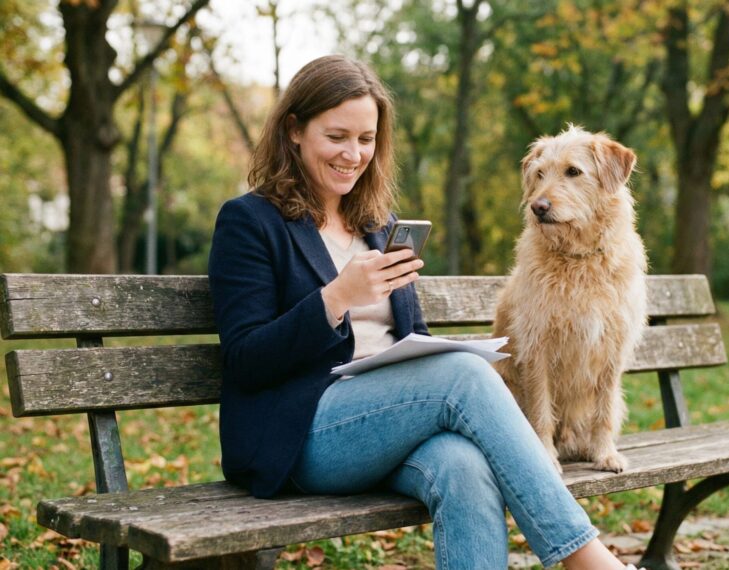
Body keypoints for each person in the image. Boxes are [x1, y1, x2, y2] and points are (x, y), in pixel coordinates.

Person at [208, 54, 639, 570]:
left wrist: (431, 350)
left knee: (465, 466)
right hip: (301, 433)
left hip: (391, 424)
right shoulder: (249, 221)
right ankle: (588, 560)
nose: (353, 154)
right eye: (337, 136)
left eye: (366, 139)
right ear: (295, 130)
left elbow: (410, 338)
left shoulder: (377, 223)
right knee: (462, 375)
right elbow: (245, 358)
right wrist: (335, 298)